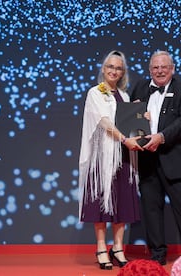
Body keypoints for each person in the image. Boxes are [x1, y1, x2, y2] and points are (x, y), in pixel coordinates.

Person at [130, 50, 181, 265]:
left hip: (175, 160)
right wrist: (134, 130)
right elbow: (131, 117)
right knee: (151, 210)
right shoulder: (140, 88)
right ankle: (157, 255)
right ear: (149, 69)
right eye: (155, 67)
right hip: (147, 161)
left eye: (164, 67)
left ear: (172, 69)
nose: (159, 71)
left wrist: (160, 137)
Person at [78, 50, 144, 270]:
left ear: (123, 72)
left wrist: (141, 117)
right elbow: (104, 122)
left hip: (124, 155)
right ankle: (100, 248)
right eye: (110, 67)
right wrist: (125, 138)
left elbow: (132, 123)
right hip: (102, 157)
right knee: (101, 202)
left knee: (123, 201)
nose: (114, 71)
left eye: (118, 68)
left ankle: (117, 248)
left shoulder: (125, 96)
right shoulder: (95, 93)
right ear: (103, 69)